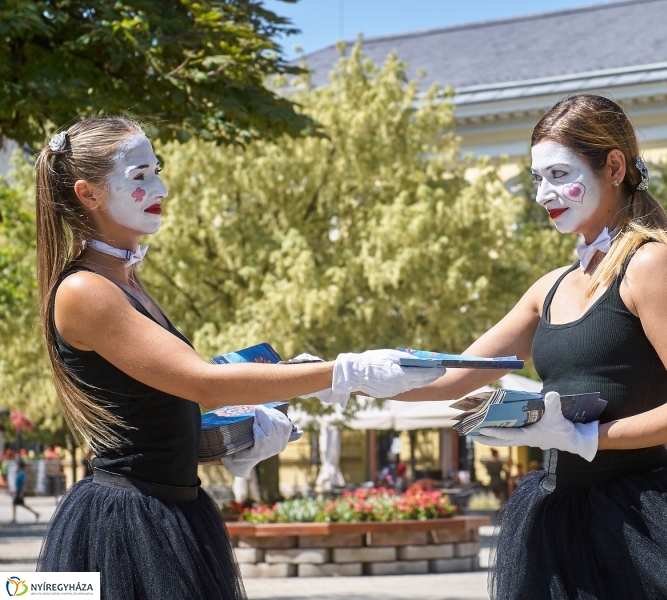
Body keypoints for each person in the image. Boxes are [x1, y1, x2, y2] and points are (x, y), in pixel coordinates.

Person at [34, 117, 443, 599]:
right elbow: (202, 383)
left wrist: (229, 440)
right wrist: (341, 372)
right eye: (140, 175)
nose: (160, 186)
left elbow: (162, 409)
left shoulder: (125, 280)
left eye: (157, 169)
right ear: (89, 194)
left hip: (167, 509)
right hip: (128, 524)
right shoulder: (86, 289)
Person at [395, 95, 667, 598]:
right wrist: (343, 377)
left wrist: (585, 437)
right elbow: (455, 375)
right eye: (536, 179)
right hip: (558, 517)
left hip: (647, 525)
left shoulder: (650, 265)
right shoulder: (550, 286)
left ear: (614, 165)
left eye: (556, 174)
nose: (541, 194)